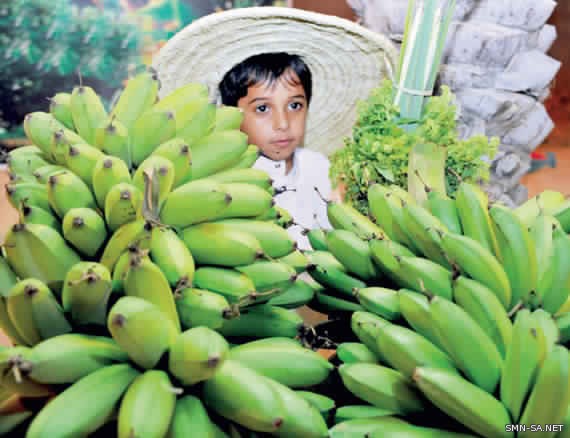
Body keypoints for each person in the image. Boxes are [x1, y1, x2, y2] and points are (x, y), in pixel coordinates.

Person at [151, 6, 397, 250]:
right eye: (262, 109)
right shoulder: (222, 186)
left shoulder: (319, 167)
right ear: (230, 115)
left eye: (295, 105)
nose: (283, 124)